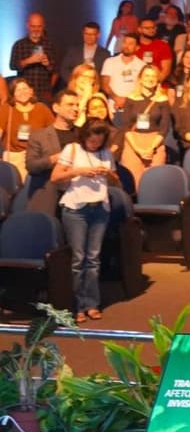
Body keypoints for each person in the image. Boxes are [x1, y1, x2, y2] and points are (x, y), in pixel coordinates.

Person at [51, 120, 118, 323]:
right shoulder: (72, 150)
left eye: (99, 141)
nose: (95, 144)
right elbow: (55, 177)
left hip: (100, 208)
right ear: (84, 137)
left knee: (93, 259)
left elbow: (116, 180)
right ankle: (77, 305)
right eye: (91, 140)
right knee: (78, 259)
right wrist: (78, 172)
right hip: (76, 209)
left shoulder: (106, 153)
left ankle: (92, 303)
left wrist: (108, 173)